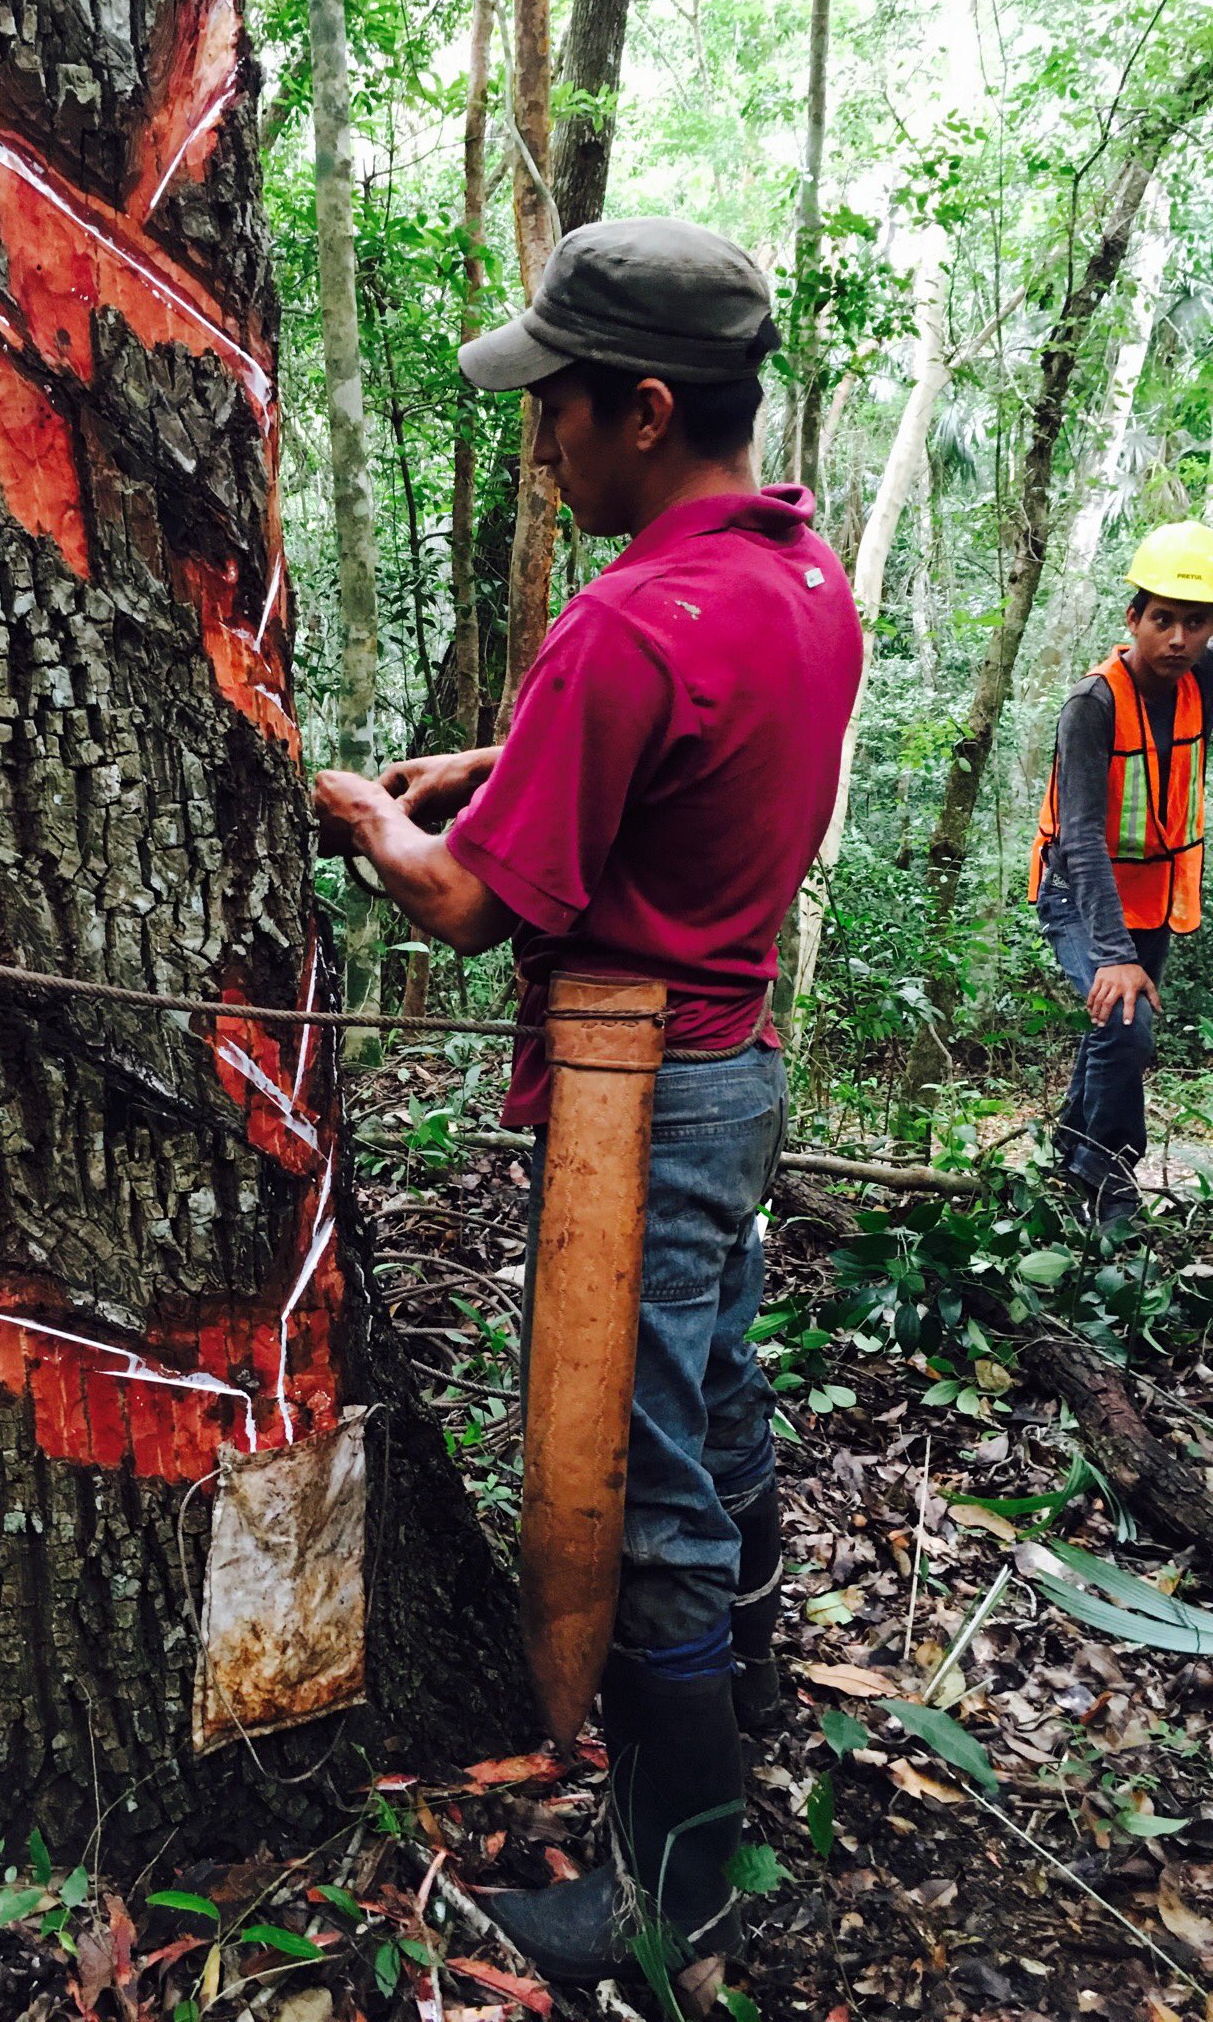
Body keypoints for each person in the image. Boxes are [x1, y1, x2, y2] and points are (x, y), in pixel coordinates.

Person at [314, 217, 862, 1985]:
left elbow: (476, 906)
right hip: (741, 1064)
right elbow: (703, 739)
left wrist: (377, 820)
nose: (537, 440)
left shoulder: (627, 622)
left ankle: (670, 1900)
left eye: (553, 407)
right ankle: (747, 1718)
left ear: (639, 408)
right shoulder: (796, 577)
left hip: (648, 1091)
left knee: (647, 1477)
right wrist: (506, 750)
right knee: (721, 1384)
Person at [1029, 522, 1212, 1223]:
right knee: (1127, 1026)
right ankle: (1107, 1179)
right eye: (1162, 619)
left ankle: (1071, 1156)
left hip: (1154, 897)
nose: (1176, 640)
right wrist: (1111, 956)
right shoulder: (1093, 704)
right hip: (1079, 893)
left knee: (1110, 1030)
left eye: (1194, 624)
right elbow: (1078, 837)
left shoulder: (1202, 680)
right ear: (1133, 619)